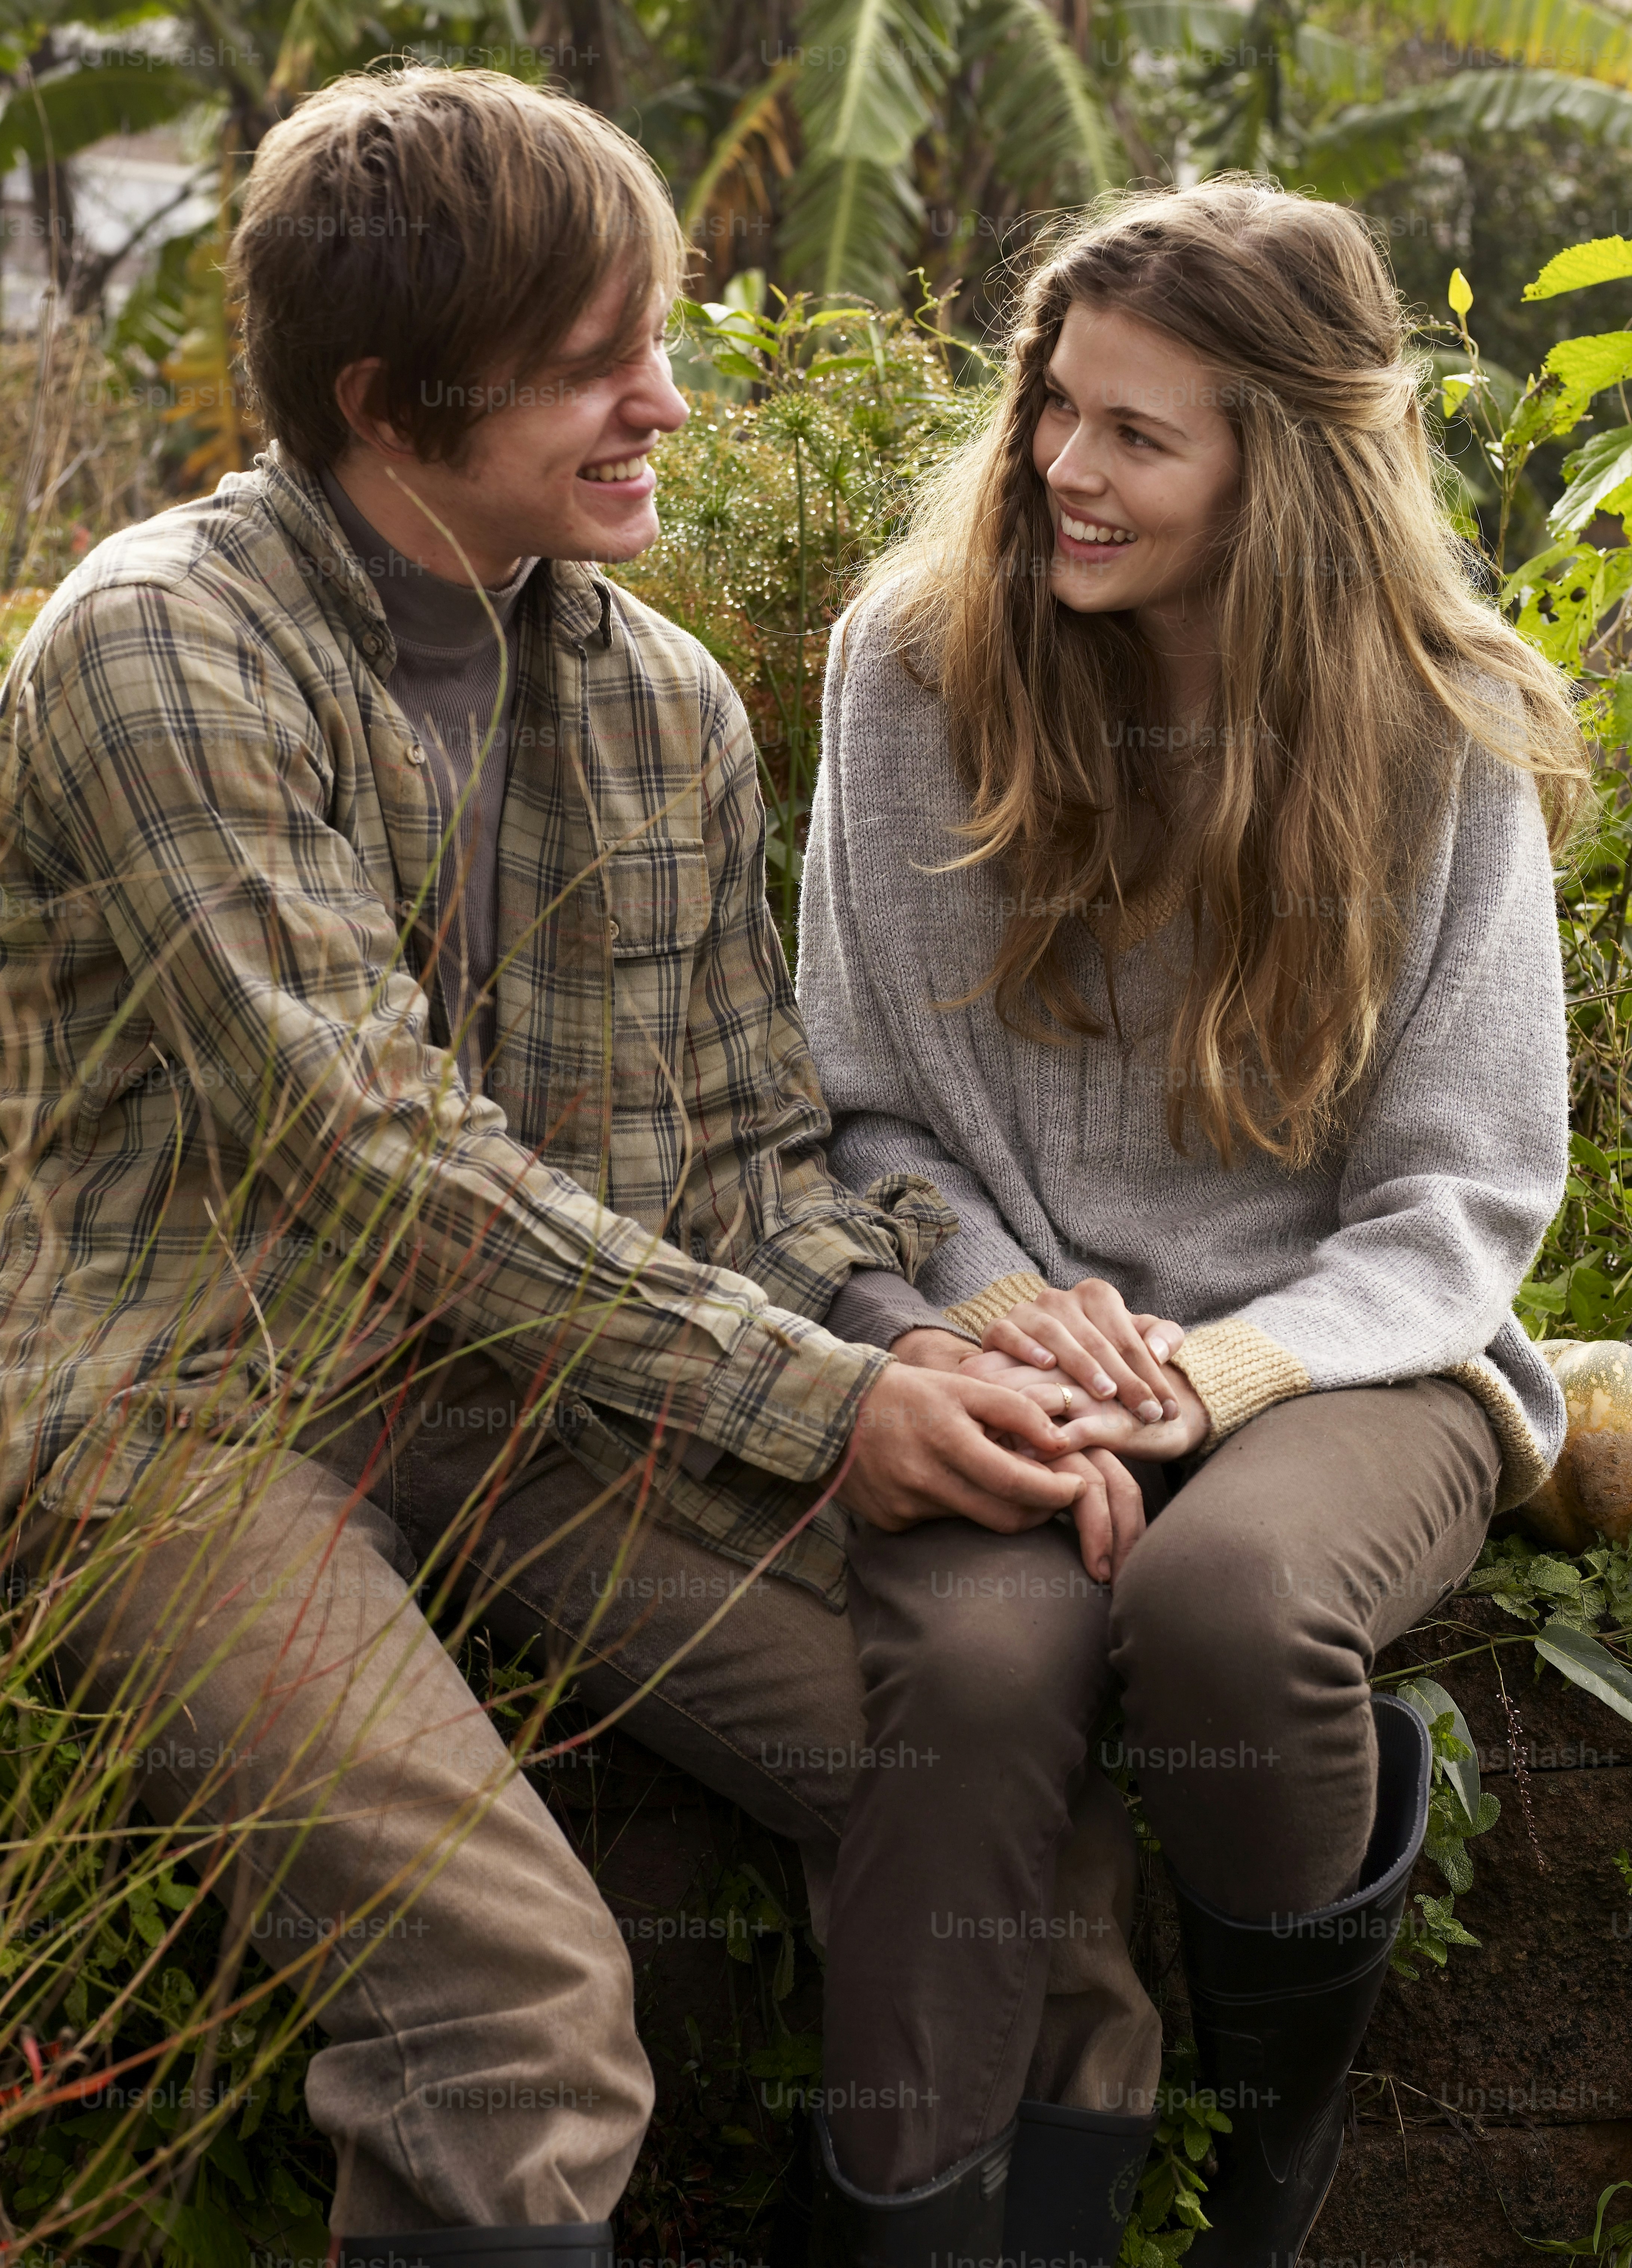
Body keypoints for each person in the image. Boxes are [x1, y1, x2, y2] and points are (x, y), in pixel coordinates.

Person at [0, 66, 1153, 2268]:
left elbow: (735, 1151)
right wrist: (827, 1404)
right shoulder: (161, 650)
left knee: (1014, 1819)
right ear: (387, 401)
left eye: (661, 339)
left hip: (518, 1386)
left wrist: (942, 1335)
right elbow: (375, 1152)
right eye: (589, 367)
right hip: (182, 1413)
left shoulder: (661, 702)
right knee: (520, 2010)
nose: (666, 405)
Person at [797, 177, 1587, 2268]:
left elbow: (1465, 1194)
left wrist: (1216, 1376)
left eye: (1139, 434)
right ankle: (932, 2232)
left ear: (1286, 474)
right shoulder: (914, 668)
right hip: (998, 1327)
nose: (1064, 463)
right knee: (984, 1670)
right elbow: (863, 1099)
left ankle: (1265, 2161)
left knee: (1229, 1611)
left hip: (1353, 1349)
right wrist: (1006, 1313)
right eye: (1055, 404)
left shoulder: (1440, 727)